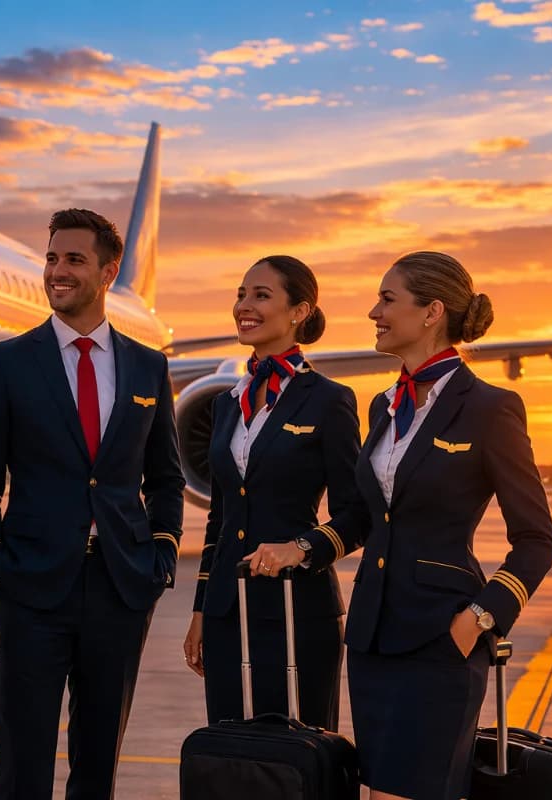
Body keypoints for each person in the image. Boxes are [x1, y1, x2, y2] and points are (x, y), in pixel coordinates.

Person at [253, 251, 552, 800]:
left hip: (443, 639)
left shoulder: (490, 408)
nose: (374, 311)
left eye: (387, 299)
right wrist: (300, 548)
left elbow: (537, 538)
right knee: (378, 792)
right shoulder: (384, 406)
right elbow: (364, 519)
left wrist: (482, 617)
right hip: (373, 638)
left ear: (431, 312)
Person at [0, 208, 185, 800]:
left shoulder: (147, 365)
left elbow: (166, 478)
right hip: (32, 586)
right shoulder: (9, 363)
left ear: (108, 271)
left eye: (73, 260)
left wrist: (161, 556)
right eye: (51, 258)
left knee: (98, 761)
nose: (56, 272)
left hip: (120, 584)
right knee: (22, 756)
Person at [182, 255, 359, 730]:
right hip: (225, 612)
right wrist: (201, 610)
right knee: (232, 761)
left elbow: (356, 515)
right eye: (241, 294)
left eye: (261, 295)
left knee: (298, 762)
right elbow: (219, 520)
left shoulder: (329, 400)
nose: (245, 305)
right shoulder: (225, 405)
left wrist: (300, 549)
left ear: (300, 311)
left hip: (297, 610)